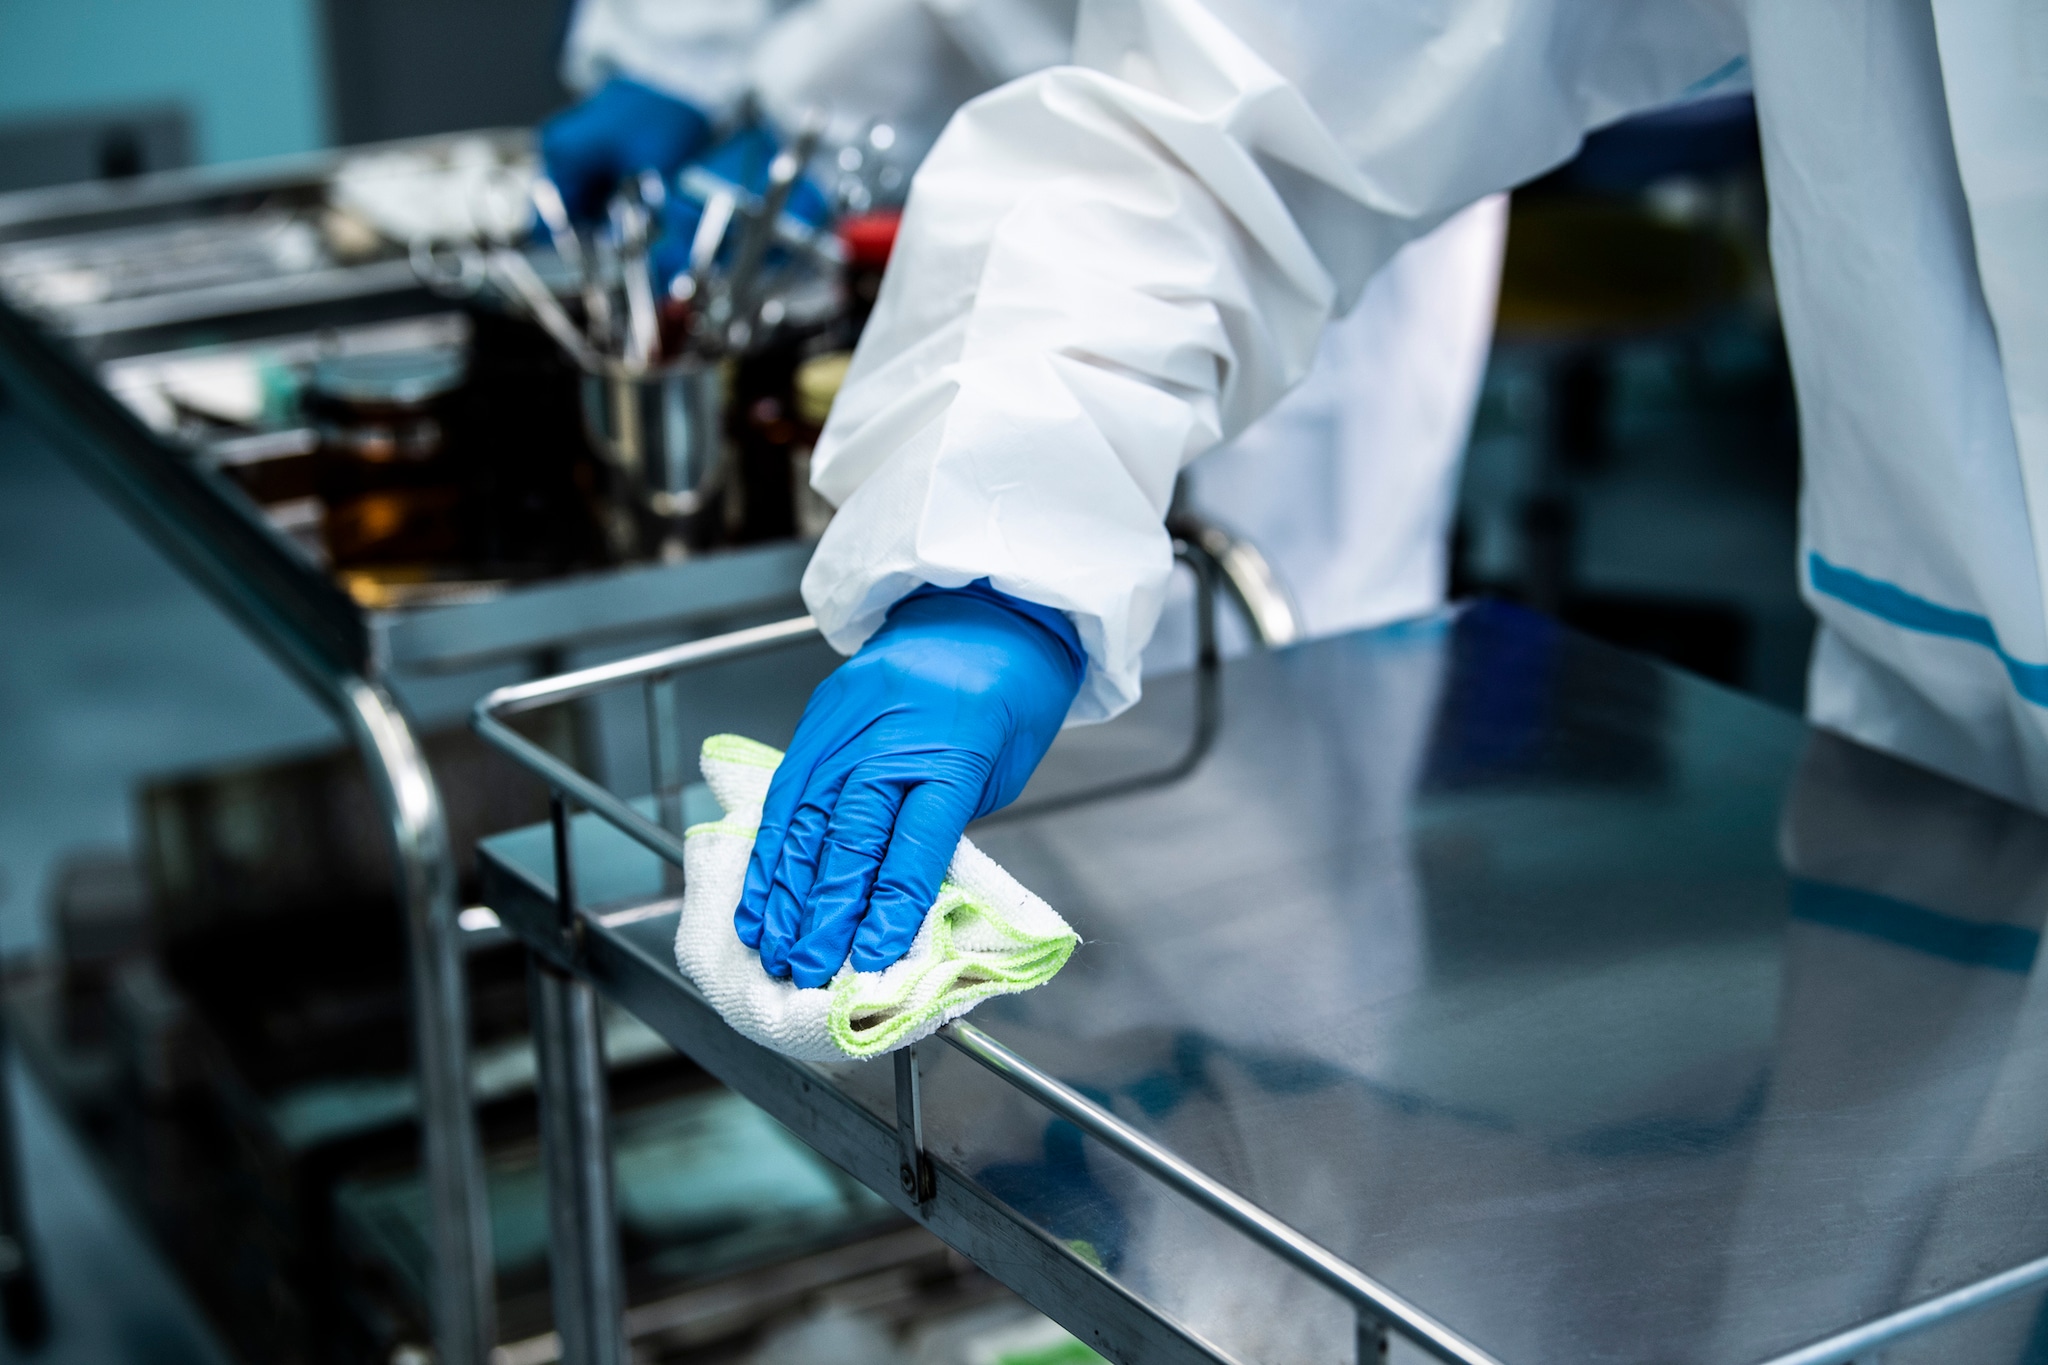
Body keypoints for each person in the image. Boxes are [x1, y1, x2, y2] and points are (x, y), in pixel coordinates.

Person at [542, 0, 1511, 986]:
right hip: (1081, 225)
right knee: (976, 927)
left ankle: (1282, 1070)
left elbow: (1236, 137)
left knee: (1268, 835)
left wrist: (1002, 562)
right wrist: (692, 47)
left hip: (1290, 260)